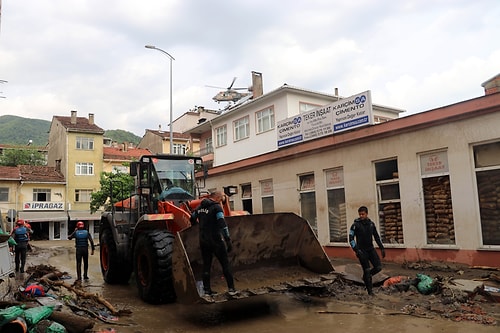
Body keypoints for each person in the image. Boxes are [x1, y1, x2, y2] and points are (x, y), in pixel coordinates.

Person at [190, 191, 237, 296]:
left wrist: (196, 226)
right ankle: (232, 289)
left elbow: (192, 217)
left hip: (203, 240)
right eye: (221, 199)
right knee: (225, 264)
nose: (221, 201)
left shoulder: (199, 207)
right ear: (217, 197)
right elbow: (222, 224)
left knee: (206, 265)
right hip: (216, 240)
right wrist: (228, 240)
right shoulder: (217, 208)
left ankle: (207, 291)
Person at [349, 206, 386, 295]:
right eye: (360, 214)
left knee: (378, 267)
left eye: (363, 214)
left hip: (370, 249)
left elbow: (376, 237)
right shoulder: (355, 225)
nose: (361, 216)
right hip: (361, 251)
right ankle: (370, 292)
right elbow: (351, 238)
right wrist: (356, 250)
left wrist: (382, 248)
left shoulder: (371, 224)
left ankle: (365, 277)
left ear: (366, 214)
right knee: (367, 270)